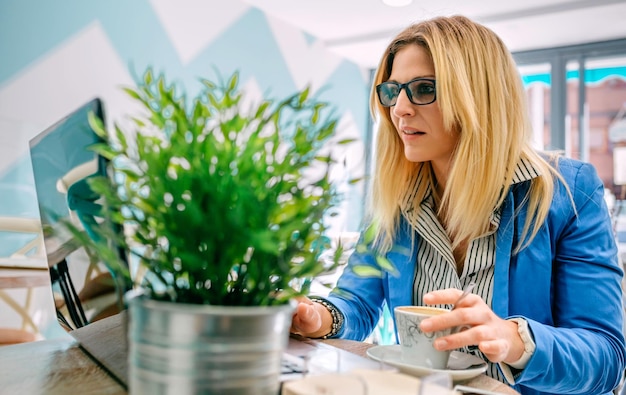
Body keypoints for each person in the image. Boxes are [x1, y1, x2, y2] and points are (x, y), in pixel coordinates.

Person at [290, 15, 626, 395]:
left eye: (423, 88)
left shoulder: (569, 191)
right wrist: (317, 316)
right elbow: (355, 302)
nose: (399, 108)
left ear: (479, 96)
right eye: (392, 91)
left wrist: (513, 340)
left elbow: (606, 357)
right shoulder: (395, 198)